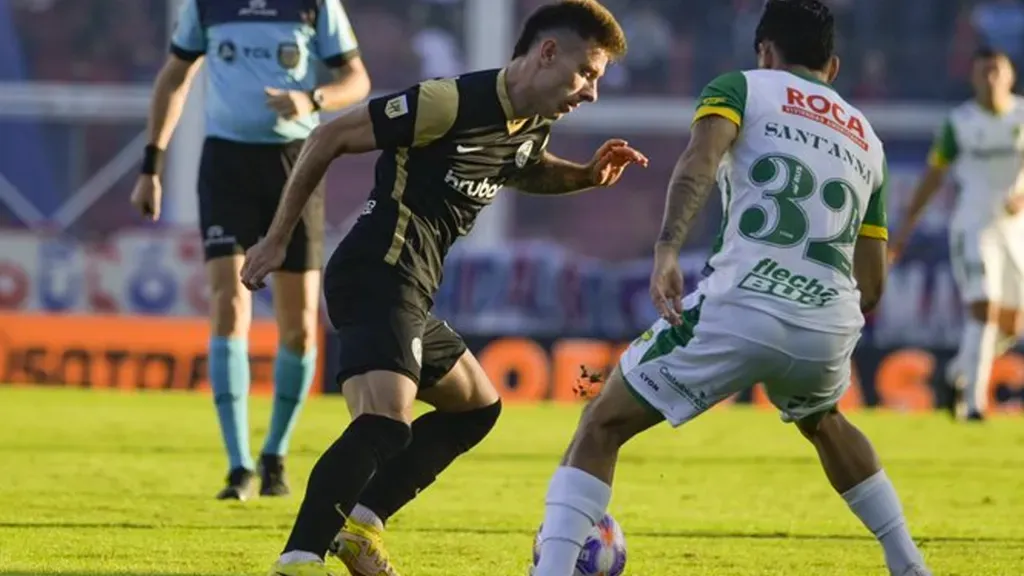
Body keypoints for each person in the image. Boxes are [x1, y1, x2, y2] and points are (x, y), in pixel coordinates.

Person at [239, 2, 648, 575]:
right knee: (385, 424)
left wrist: (583, 176)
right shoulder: (448, 101)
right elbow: (330, 135)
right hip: (378, 269)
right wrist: (276, 240)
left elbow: (522, 165)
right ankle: (300, 557)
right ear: (547, 52)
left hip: (409, 286)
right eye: (587, 73)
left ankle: (362, 524)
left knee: (476, 407)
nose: (591, 93)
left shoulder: (532, 123)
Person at [530, 1, 932, 576]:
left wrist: (667, 249)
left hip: (742, 304)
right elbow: (872, 282)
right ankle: (908, 563)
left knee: (601, 423)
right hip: (828, 323)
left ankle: (553, 569)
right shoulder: (868, 139)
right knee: (825, 420)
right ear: (834, 67)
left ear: (765, 51)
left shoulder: (742, 88)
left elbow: (699, 162)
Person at [129, 0, 371, 500]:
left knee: (300, 326)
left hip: (295, 164)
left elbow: (357, 78)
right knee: (228, 301)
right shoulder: (208, 5)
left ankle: (274, 454)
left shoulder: (316, 5)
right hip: (226, 165)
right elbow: (174, 76)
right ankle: (238, 464)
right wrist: (151, 164)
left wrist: (313, 98)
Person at [890, 47, 1024, 422]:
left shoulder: (1022, 115)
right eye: (983, 72)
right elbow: (933, 177)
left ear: (1010, 76)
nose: (991, 79)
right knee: (983, 307)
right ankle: (974, 406)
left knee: (1012, 326)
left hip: (1015, 230)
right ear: (973, 78)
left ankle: (954, 375)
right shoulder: (959, 123)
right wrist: (903, 231)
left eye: (997, 71)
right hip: (973, 225)